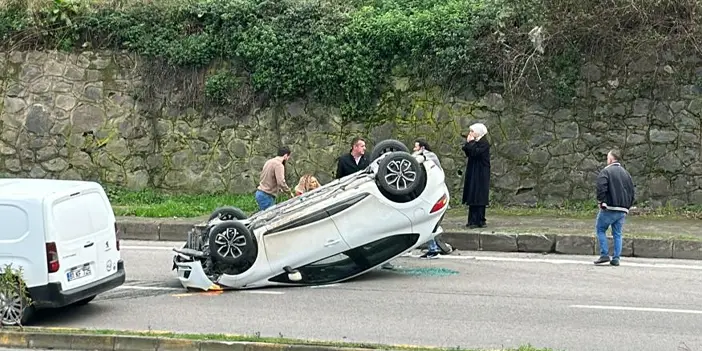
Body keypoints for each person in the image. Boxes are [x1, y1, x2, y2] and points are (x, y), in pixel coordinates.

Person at [593, 149, 635, 266]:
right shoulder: (626, 174)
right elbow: (632, 191)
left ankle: (604, 254)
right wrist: (627, 206)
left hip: (609, 207)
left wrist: (602, 201)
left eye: (608, 158)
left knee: (600, 229)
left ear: (611, 159)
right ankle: (616, 258)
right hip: (622, 209)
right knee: (617, 233)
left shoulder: (606, 172)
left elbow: (601, 187)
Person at [413, 139, 444, 259]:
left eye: (416, 147)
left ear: (422, 148)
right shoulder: (428, 157)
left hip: (429, 195)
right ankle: (433, 248)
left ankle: (433, 249)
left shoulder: (426, 157)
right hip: (429, 194)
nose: (414, 149)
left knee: (427, 223)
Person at [461, 123, 491, 228]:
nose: (470, 133)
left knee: (479, 195)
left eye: (472, 131)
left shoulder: (484, 143)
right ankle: (472, 220)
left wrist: (471, 142)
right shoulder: (477, 142)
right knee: (473, 194)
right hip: (474, 171)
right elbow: (468, 151)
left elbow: (475, 152)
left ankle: (479, 220)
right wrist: (470, 143)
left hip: (481, 172)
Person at [255, 146, 293, 211]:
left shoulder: (269, 162)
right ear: (286, 155)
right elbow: (281, 182)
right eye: (288, 157)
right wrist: (289, 192)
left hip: (260, 193)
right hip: (267, 196)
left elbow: (267, 178)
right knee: (269, 219)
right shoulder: (279, 165)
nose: (288, 159)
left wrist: (278, 189)